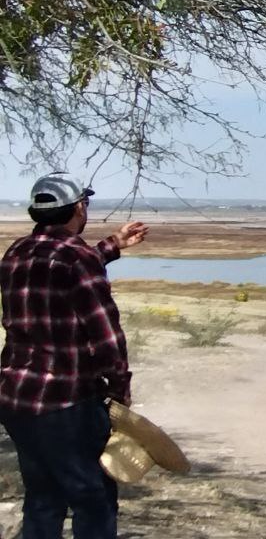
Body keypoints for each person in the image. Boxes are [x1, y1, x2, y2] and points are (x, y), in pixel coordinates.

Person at [0, 173, 149, 539]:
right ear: (79, 207)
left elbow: (58, 266)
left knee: (42, 499)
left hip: (16, 400)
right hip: (66, 404)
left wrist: (114, 244)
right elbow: (106, 336)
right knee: (93, 499)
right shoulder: (78, 258)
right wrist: (120, 391)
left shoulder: (17, 252)